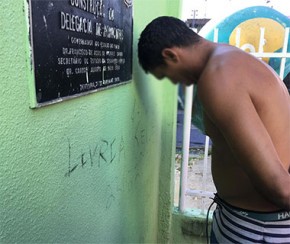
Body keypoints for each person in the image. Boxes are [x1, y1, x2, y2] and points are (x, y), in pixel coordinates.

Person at [138, 16, 290, 243]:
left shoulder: (220, 76)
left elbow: (279, 187)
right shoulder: (230, 58)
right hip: (244, 221)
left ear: (171, 55)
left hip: (258, 230)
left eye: (166, 75)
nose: (174, 81)